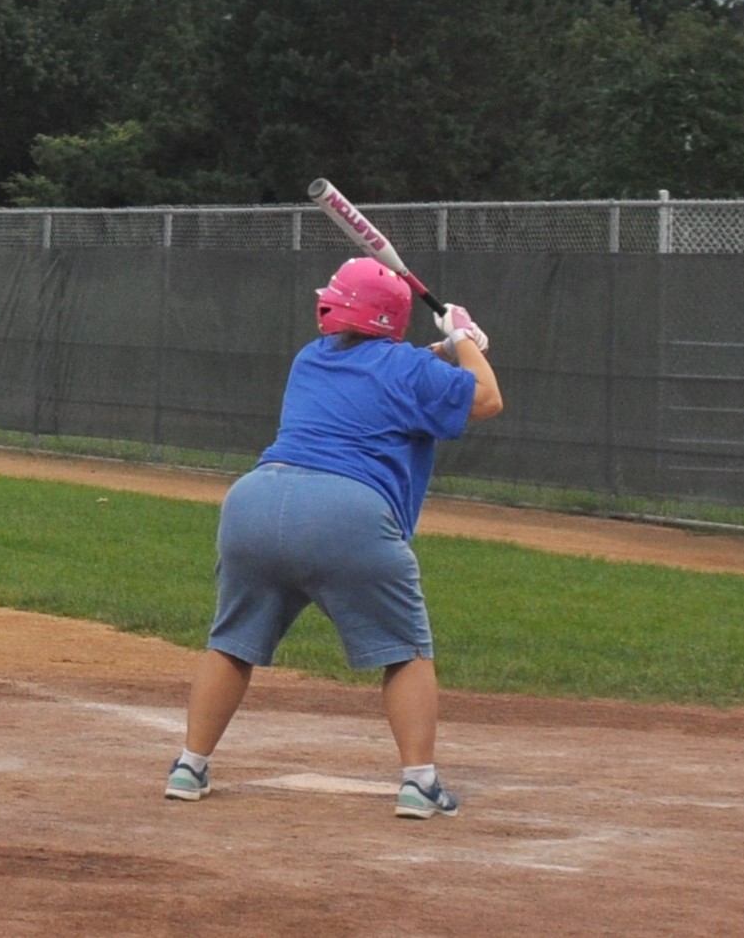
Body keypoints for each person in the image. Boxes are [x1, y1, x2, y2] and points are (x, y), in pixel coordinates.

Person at [167, 258, 505, 819]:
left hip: (253, 503)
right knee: (406, 651)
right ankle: (419, 784)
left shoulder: (311, 359)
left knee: (232, 644)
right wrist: (464, 338)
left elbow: (393, 373)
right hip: (345, 513)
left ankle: (189, 766)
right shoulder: (404, 370)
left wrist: (450, 351)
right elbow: (486, 398)